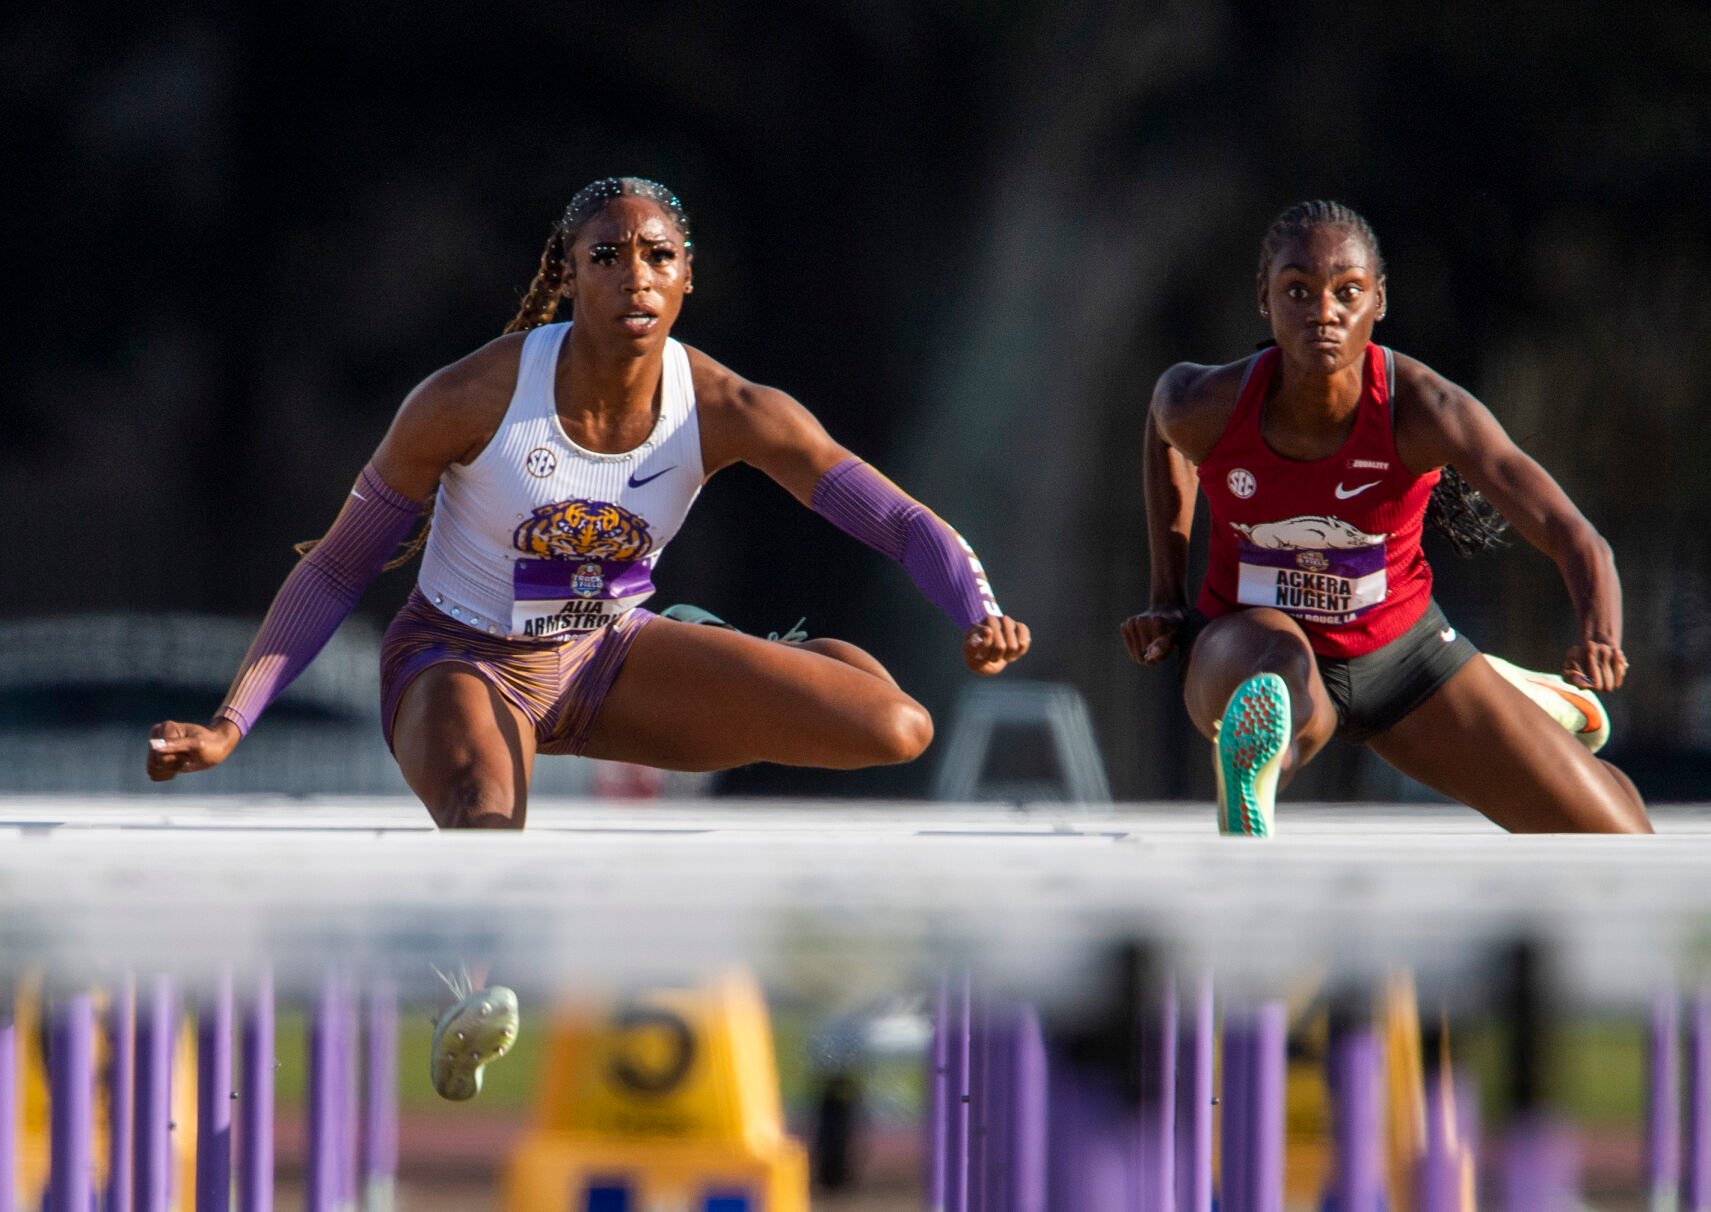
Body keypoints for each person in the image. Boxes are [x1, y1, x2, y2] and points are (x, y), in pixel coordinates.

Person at [145, 176, 1031, 1095]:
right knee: (487, 812)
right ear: (568, 278)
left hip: (609, 658)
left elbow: (894, 520)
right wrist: (230, 722)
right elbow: (335, 567)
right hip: (459, 659)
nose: (634, 278)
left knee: (896, 728)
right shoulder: (472, 397)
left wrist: (977, 610)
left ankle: (770, 649)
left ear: (688, 278)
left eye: (658, 257)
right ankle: (471, 1000)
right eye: (606, 257)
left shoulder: (727, 406)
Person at [1120, 200, 1649, 836]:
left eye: (1348, 292)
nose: (1324, 313)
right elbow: (1163, 422)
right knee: (1281, 683)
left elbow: (1575, 537)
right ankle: (1261, 773)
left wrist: (1600, 632)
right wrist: (1167, 597)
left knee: (1618, 834)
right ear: (1264, 298)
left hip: (1404, 662)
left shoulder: (1427, 410)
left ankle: (1516, 695)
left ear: (1379, 300)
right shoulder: (1208, 404)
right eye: (1298, 290)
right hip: (1244, 641)